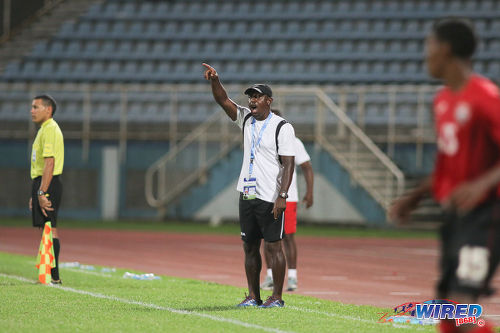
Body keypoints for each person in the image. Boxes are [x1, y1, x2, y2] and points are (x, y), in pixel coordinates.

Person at [389, 18, 500, 333]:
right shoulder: (442, 100)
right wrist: (414, 197)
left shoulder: (486, 97)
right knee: (449, 314)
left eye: (430, 45)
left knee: (461, 304)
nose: (427, 54)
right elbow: (447, 164)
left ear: (446, 49)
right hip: (456, 218)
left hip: (487, 215)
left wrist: (481, 183)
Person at [203, 63, 296, 308]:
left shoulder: (282, 127)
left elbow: (289, 163)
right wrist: (215, 81)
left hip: (270, 195)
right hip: (247, 193)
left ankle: (276, 297)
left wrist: (282, 196)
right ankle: (253, 296)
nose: (252, 100)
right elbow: (223, 100)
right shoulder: (245, 118)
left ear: (269, 101)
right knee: (249, 247)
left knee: (274, 247)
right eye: (250, 96)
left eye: (257, 96)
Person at [261, 109, 314, 292]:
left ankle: (292, 277)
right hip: (265, 195)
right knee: (265, 238)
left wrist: (310, 192)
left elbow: (306, 166)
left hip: (288, 198)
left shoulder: (293, 141)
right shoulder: (260, 140)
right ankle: (269, 275)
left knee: (288, 237)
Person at [29, 94, 64, 284]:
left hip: (48, 182)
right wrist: (36, 192)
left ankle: (54, 276)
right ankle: (49, 274)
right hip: (42, 182)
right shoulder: (44, 129)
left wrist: (42, 192)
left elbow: (49, 163)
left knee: (50, 228)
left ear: (48, 109)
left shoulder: (50, 129)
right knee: (46, 228)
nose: (32, 111)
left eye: (36, 107)